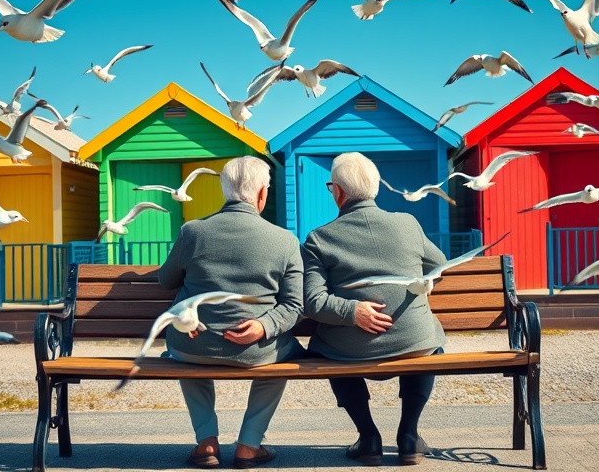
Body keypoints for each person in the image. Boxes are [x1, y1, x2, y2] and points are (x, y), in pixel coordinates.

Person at [158, 156, 305, 469]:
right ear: (262, 194)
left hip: (194, 347)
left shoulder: (192, 231)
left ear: (225, 192)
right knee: (284, 352)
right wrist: (264, 327)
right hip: (257, 349)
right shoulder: (285, 240)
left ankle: (206, 442)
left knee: (184, 347)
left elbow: (166, 281)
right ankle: (249, 445)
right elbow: (295, 305)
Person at [301, 152, 447, 467]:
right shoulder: (408, 223)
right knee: (430, 342)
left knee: (323, 347)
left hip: (351, 351)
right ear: (377, 188)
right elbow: (439, 265)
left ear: (337, 192)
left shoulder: (319, 239)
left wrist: (351, 311)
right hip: (415, 343)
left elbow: (312, 302)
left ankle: (368, 437)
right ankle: (409, 436)